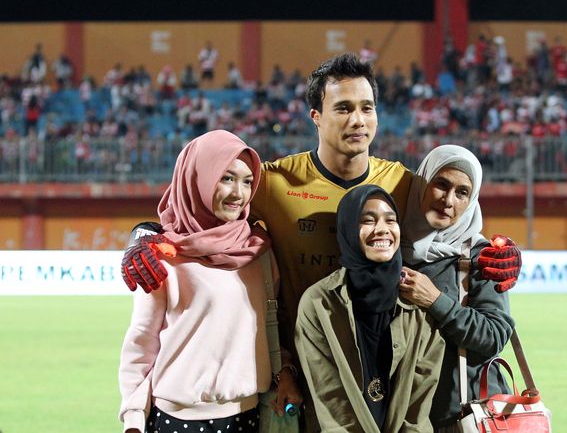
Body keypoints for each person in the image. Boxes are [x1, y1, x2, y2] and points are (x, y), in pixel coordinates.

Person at [118, 53, 521, 428]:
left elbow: (453, 220)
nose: (357, 120)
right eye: (343, 108)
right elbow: (202, 213)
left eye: (367, 108)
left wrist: (499, 253)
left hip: (383, 374)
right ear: (316, 116)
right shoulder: (273, 185)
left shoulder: (403, 184)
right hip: (301, 375)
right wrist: (143, 235)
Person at [118, 130, 302, 433]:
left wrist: (285, 370)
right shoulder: (162, 255)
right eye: (226, 178)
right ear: (197, 178)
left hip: (248, 417)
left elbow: (272, 326)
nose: (238, 193)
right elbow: (142, 340)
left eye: (246, 182)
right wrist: (134, 415)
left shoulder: (259, 251)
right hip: (174, 421)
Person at [295, 184, 445, 431]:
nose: (382, 230)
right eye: (367, 220)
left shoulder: (418, 300)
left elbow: (419, 405)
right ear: (347, 231)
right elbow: (331, 404)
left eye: (390, 220)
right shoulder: (319, 304)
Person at [397, 145, 516, 431]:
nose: (448, 201)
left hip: (462, 415)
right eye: (441, 184)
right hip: (404, 416)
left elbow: (494, 335)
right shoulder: (388, 246)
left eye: (462, 192)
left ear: (471, 200)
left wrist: (435, 299)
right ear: (422, 184)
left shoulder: (481, 256)